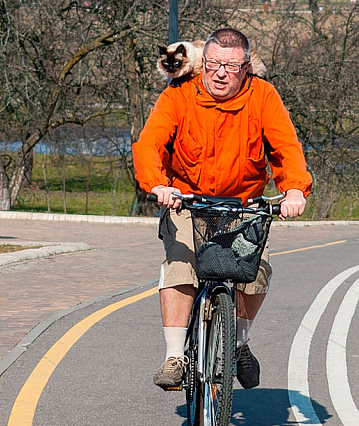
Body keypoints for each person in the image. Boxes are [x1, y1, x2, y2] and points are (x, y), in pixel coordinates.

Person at [132, 28, 313, 391]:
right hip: (186, 202)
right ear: (202, 61)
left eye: (230, 66)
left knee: (256, 269)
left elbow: (285, 148)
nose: (219, 73)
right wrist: (158, 184)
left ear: (246, 67)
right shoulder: (178, 95)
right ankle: (174, 358)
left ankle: (238, 343)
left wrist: (294, 188)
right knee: (181, 265)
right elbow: (149, 143)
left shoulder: (263, 97)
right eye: (213, 63)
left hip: (243, 205)